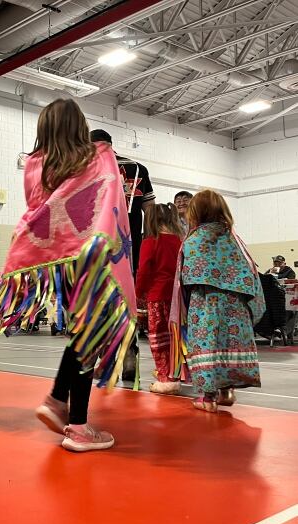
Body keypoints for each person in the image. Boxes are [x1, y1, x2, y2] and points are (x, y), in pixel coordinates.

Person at [0, 99, 136, 452]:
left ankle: (57, 401)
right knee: (89, 334)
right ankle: (77, 426)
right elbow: (110, 201)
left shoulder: (36, 164)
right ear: (79, 125)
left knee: (81, 331)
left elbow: (38, 206)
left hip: (53, 260)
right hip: (89, 256)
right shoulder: (98, 156)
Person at [170, 190, 264, 413]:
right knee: (230, 345)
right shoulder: (234, 239)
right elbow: (251, 273)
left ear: (196, 212)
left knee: (207, 344)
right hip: (236, 305)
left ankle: (208, 398)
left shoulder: (193, 240)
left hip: (206, 304)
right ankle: (227, 392)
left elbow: (184, 279)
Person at [90, 129, 154, 383]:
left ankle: (103, 360)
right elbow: (150, 211)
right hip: (131, 247)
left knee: (97, 306)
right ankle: (128, 359)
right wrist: (148, 247)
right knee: (127, 305)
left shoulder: (88, 169)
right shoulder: (138, 168)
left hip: (98, 246)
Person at [135, 204, 183, 395]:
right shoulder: (180, 241)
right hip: (177, 296)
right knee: (176, 338)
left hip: (157, 295)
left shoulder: (150, 241)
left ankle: (166, 378)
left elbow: (144, 271)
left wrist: (138, 295)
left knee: (159, 338)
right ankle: (176, 373)